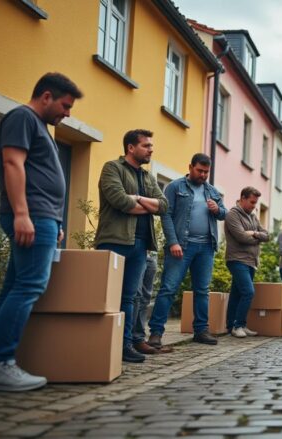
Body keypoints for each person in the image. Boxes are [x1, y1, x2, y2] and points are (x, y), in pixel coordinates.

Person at [0, 73, 82, 391]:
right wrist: (22, 214)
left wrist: (55, 223)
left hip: (43, 219)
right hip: (31, 216)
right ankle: (0, 364)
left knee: (14, 287)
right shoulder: (22, 117)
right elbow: (13, 164)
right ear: (46, 96)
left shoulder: (39, 126)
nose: (68, 113)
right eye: (65, 105)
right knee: (30, 285)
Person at [95, 129, 168, 363]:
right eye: (146, 145)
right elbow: (119, 201)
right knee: (107, 295)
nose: (151, 149)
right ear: (131, 148)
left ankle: (125, 345)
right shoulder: (112, 168)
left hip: (140, 244)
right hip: (114, 240)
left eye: (151, 146)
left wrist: (137, 199)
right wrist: (144, 204)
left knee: (130, 297)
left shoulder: (147, 177)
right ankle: (100, 343)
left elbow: (164, 206)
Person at [148, 153, 226, 347]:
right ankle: (156, 332)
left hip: (206, 246)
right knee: (168, 289)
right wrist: (173, 242)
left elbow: (224, 214)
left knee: (202, 290)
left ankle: (201, 330)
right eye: (199, 170)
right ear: (190, 167)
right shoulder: (175, 187)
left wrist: (217, 209)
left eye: (206, 172)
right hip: (182, 246)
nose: (203, 175)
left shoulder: (212, 191)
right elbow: (165, 215)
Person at [224, 187, 269, 338]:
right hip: (237, 259)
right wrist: (256, 238)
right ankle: (238, 325)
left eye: (255, 203)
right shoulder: (232, 215)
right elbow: (241, 237)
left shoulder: (253, 216)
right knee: (248, 292)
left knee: (237, 293)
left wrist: (254, 233)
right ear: (242, 198)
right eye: (251, 202)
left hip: (251, 261)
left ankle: (233, 325)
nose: (254, 206)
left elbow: (267, 235)